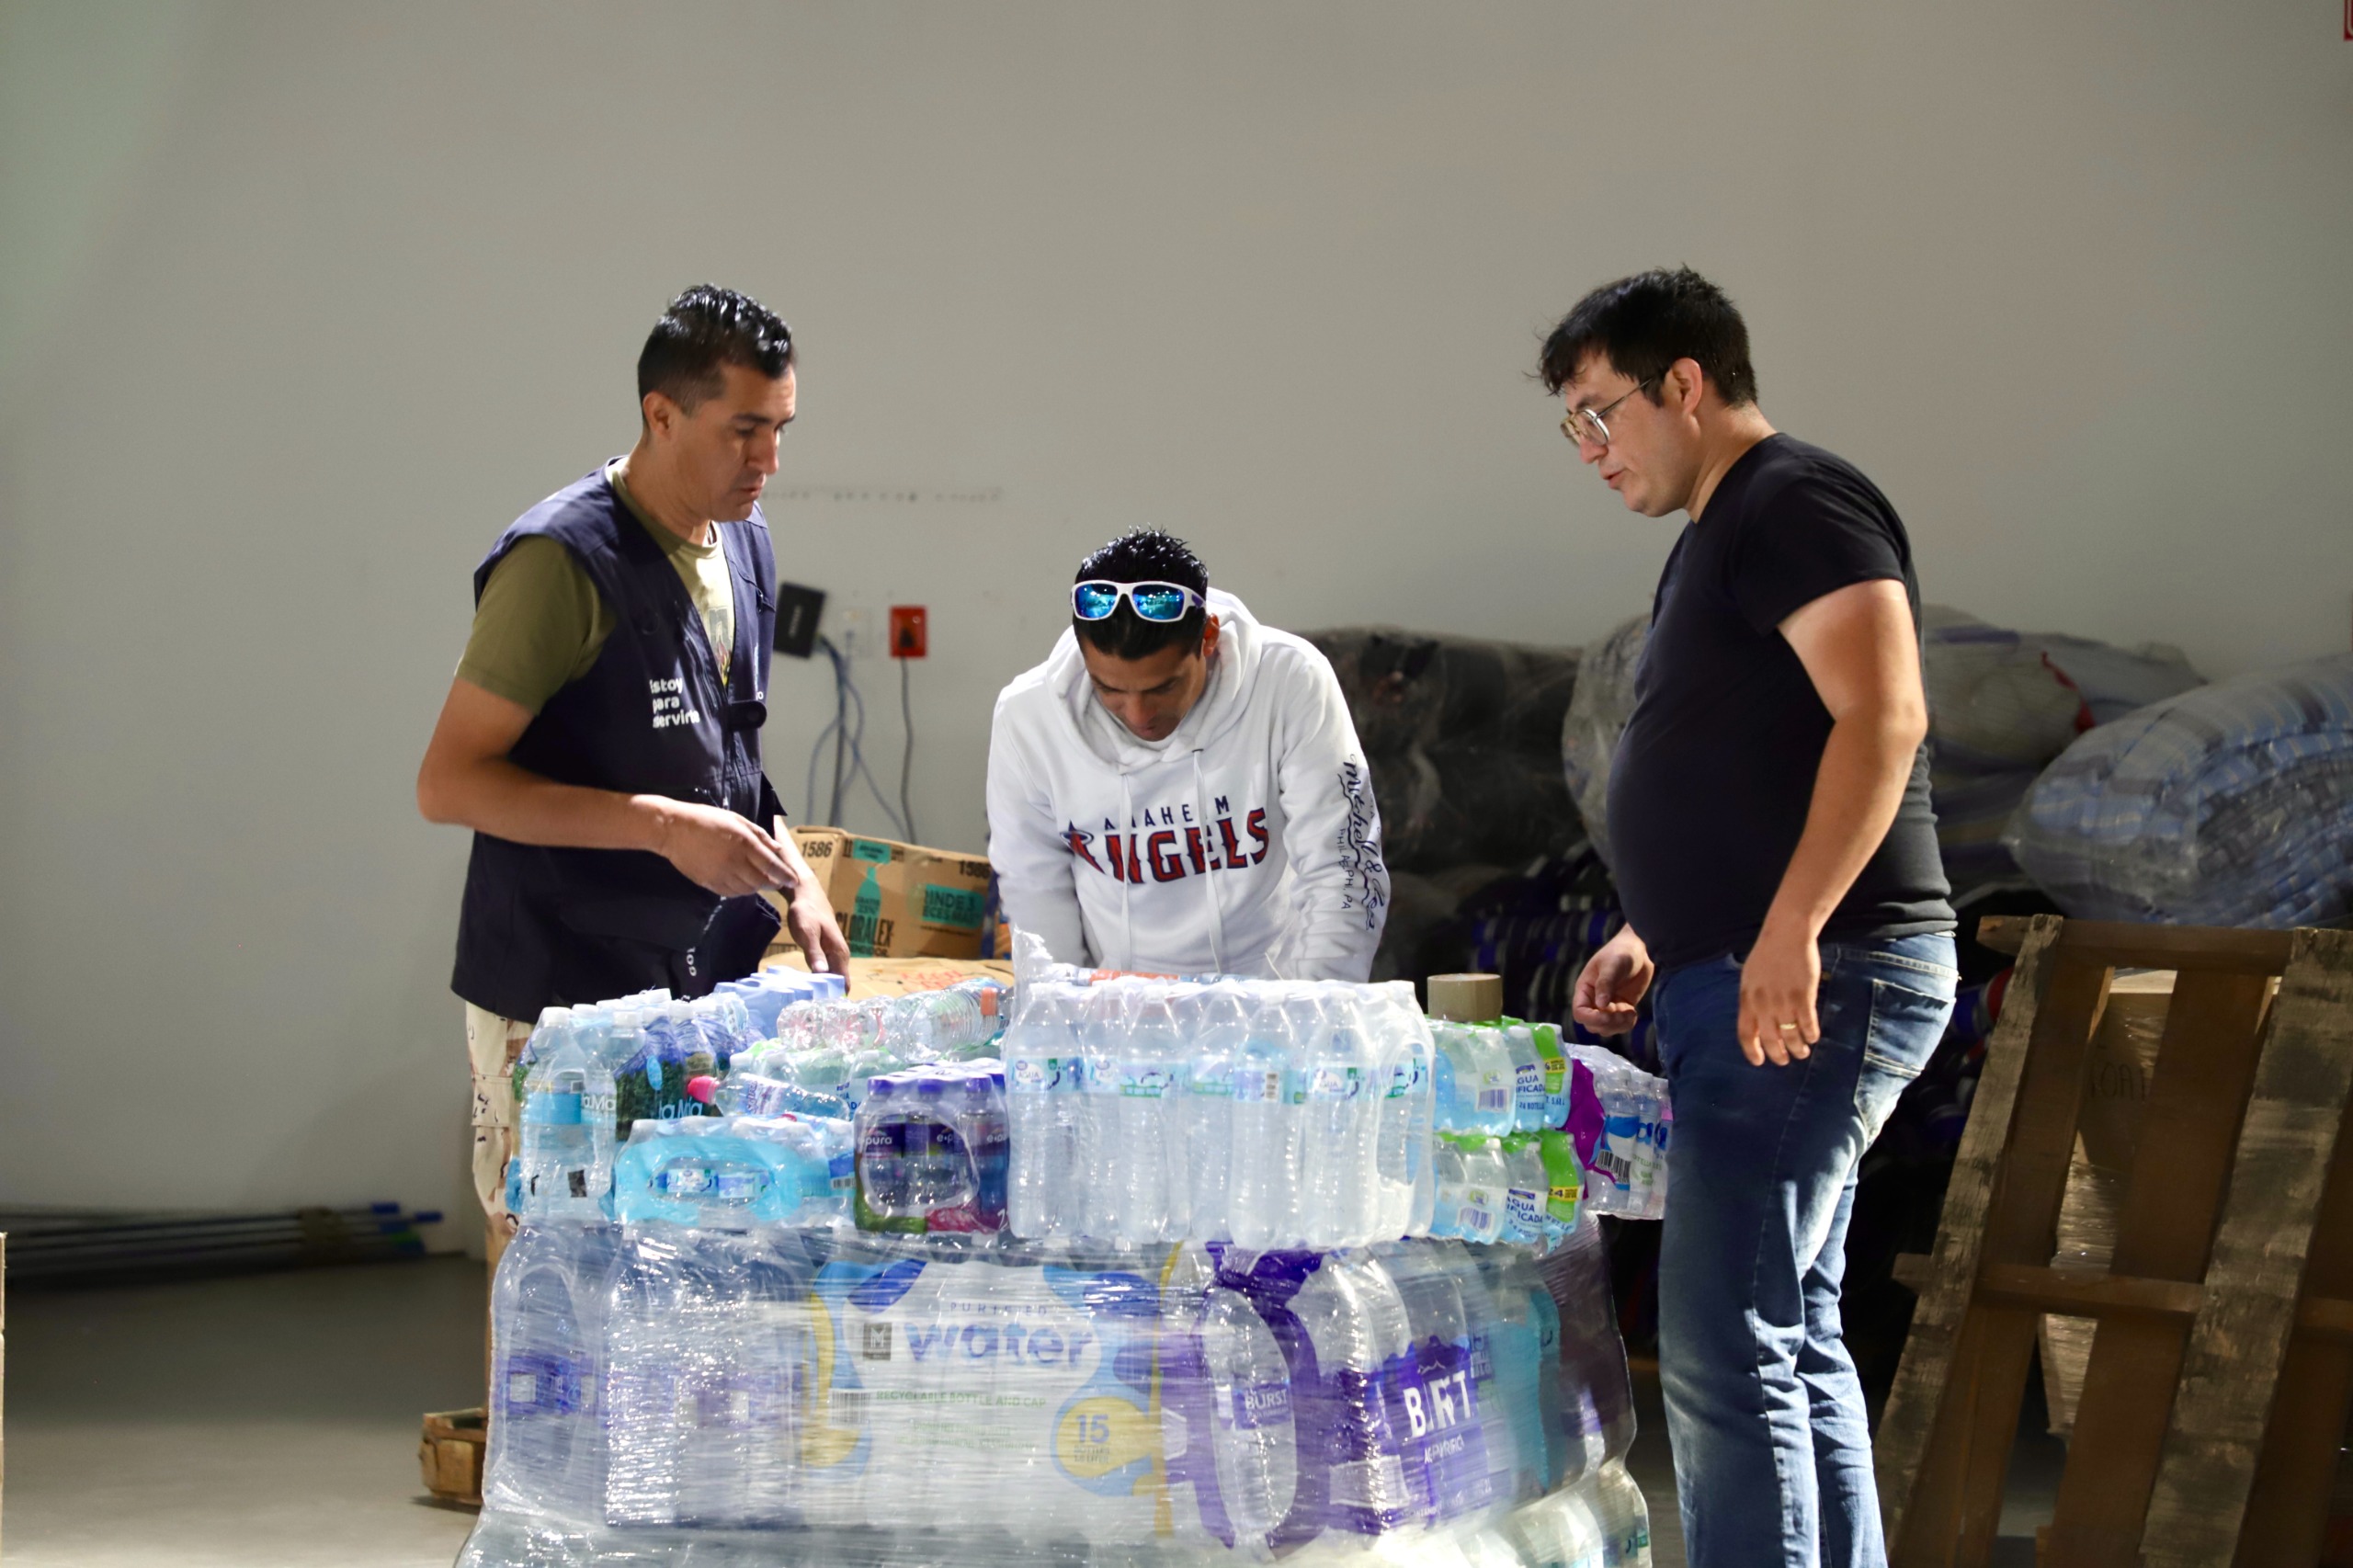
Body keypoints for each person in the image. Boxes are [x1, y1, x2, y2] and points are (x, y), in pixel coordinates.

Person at [1552, 269, 1957, 1568]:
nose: (1590, 449)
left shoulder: (1794, 500)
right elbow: (1750, 758)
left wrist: (1790, 931)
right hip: (1747, 965)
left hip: (1813, 973)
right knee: (1788, 1325)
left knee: (1726, 1338)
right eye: (1572, 426)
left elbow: (1882, 714)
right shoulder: (1717, 533)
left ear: (1684, 382)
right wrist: (1657, 927)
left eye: (1600, 413)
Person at [416, 285, 849, 1265]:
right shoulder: (562, 563)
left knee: (673, 1276)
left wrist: (795, 875)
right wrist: (658, 826)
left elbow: (731, 757)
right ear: (662, 414)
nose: (769, 460)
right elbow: (449, 783)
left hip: (688, 986)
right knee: (551, 1279)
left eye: (780, 429)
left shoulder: (744, 542)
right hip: (559, 996)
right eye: (744, 430)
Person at [986, 528, 1389, 980]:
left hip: (1272, 997)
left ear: (1208, 638)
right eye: (1109, 689)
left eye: (1164, 687)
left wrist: (1310, 1006)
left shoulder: (1290, 680)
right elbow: (1033, 886)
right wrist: (1063, 1006)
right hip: (1117, 1005)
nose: (1139, 715)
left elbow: (1343, 869)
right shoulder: (1028, 718)